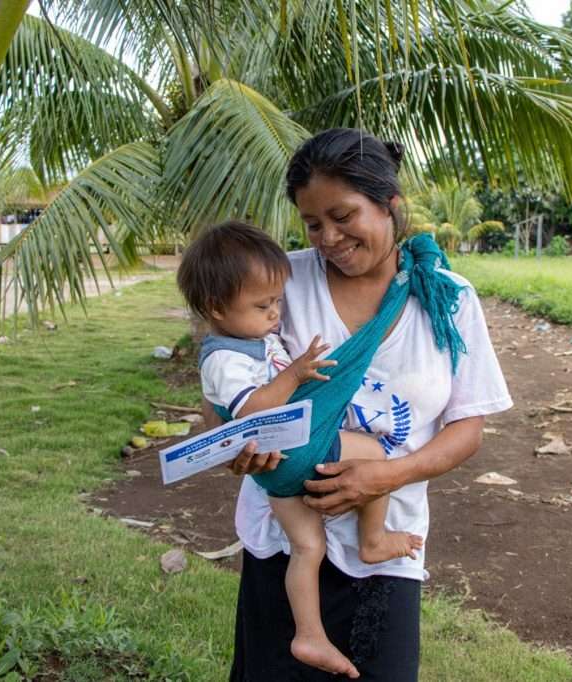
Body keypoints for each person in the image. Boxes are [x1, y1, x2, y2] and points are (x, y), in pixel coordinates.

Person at [217, 128, 513, 681]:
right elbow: (229, 373)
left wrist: (385, 476)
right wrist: (237, 441)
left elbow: (467, 428)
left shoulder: (448, 298)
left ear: (390, 206)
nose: (328, 236)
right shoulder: (281, 282)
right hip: (283, 538)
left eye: (343, 215)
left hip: (387, 544)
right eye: (312, 223)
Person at [176, 221, 424, 678]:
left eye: (276, 303)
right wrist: (295, 373)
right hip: (293, 449)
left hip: (276, 471)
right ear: (215, 307)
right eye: (263, 306)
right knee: (374, 453)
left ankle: (308, 634)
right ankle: (373, 540)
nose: (275, 314)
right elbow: (250, 409)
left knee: (308, 546)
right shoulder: (225, 357)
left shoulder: (247, 339)